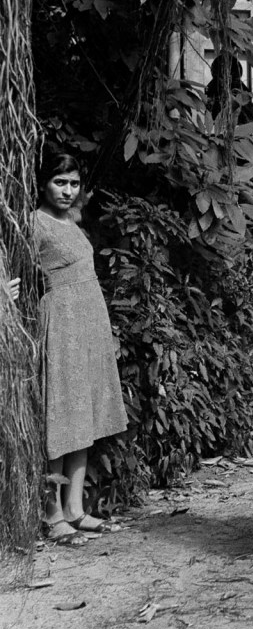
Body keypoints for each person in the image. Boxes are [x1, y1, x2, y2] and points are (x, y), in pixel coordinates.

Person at [34, 149, 127, 544]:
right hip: (61, 323)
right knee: (61, 414)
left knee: (83, 413)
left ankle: (75, 508)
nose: (68, 190)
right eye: (60, 182)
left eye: (74, 183)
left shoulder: (72, 221)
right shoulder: (34, 223)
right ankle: (52, 512)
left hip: (88, 323)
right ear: (43, 184)